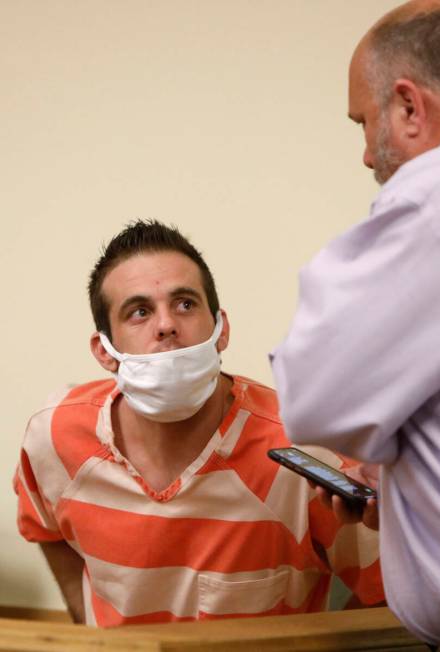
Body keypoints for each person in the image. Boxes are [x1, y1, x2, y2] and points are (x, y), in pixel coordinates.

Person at [270, 0, 440, 649]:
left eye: (363, 123)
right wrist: (409, 476)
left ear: (407, 106)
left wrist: (382, 445)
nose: (367, 154)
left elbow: (315, 395)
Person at [14, 219, 384, 626]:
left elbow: (390, 593)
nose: (166, 325)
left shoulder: (304, 449)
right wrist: (90, 630)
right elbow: (45, 529)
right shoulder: (55, 435)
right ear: (105, 352)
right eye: (139, 312)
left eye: (185, 304)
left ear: (221, 330)